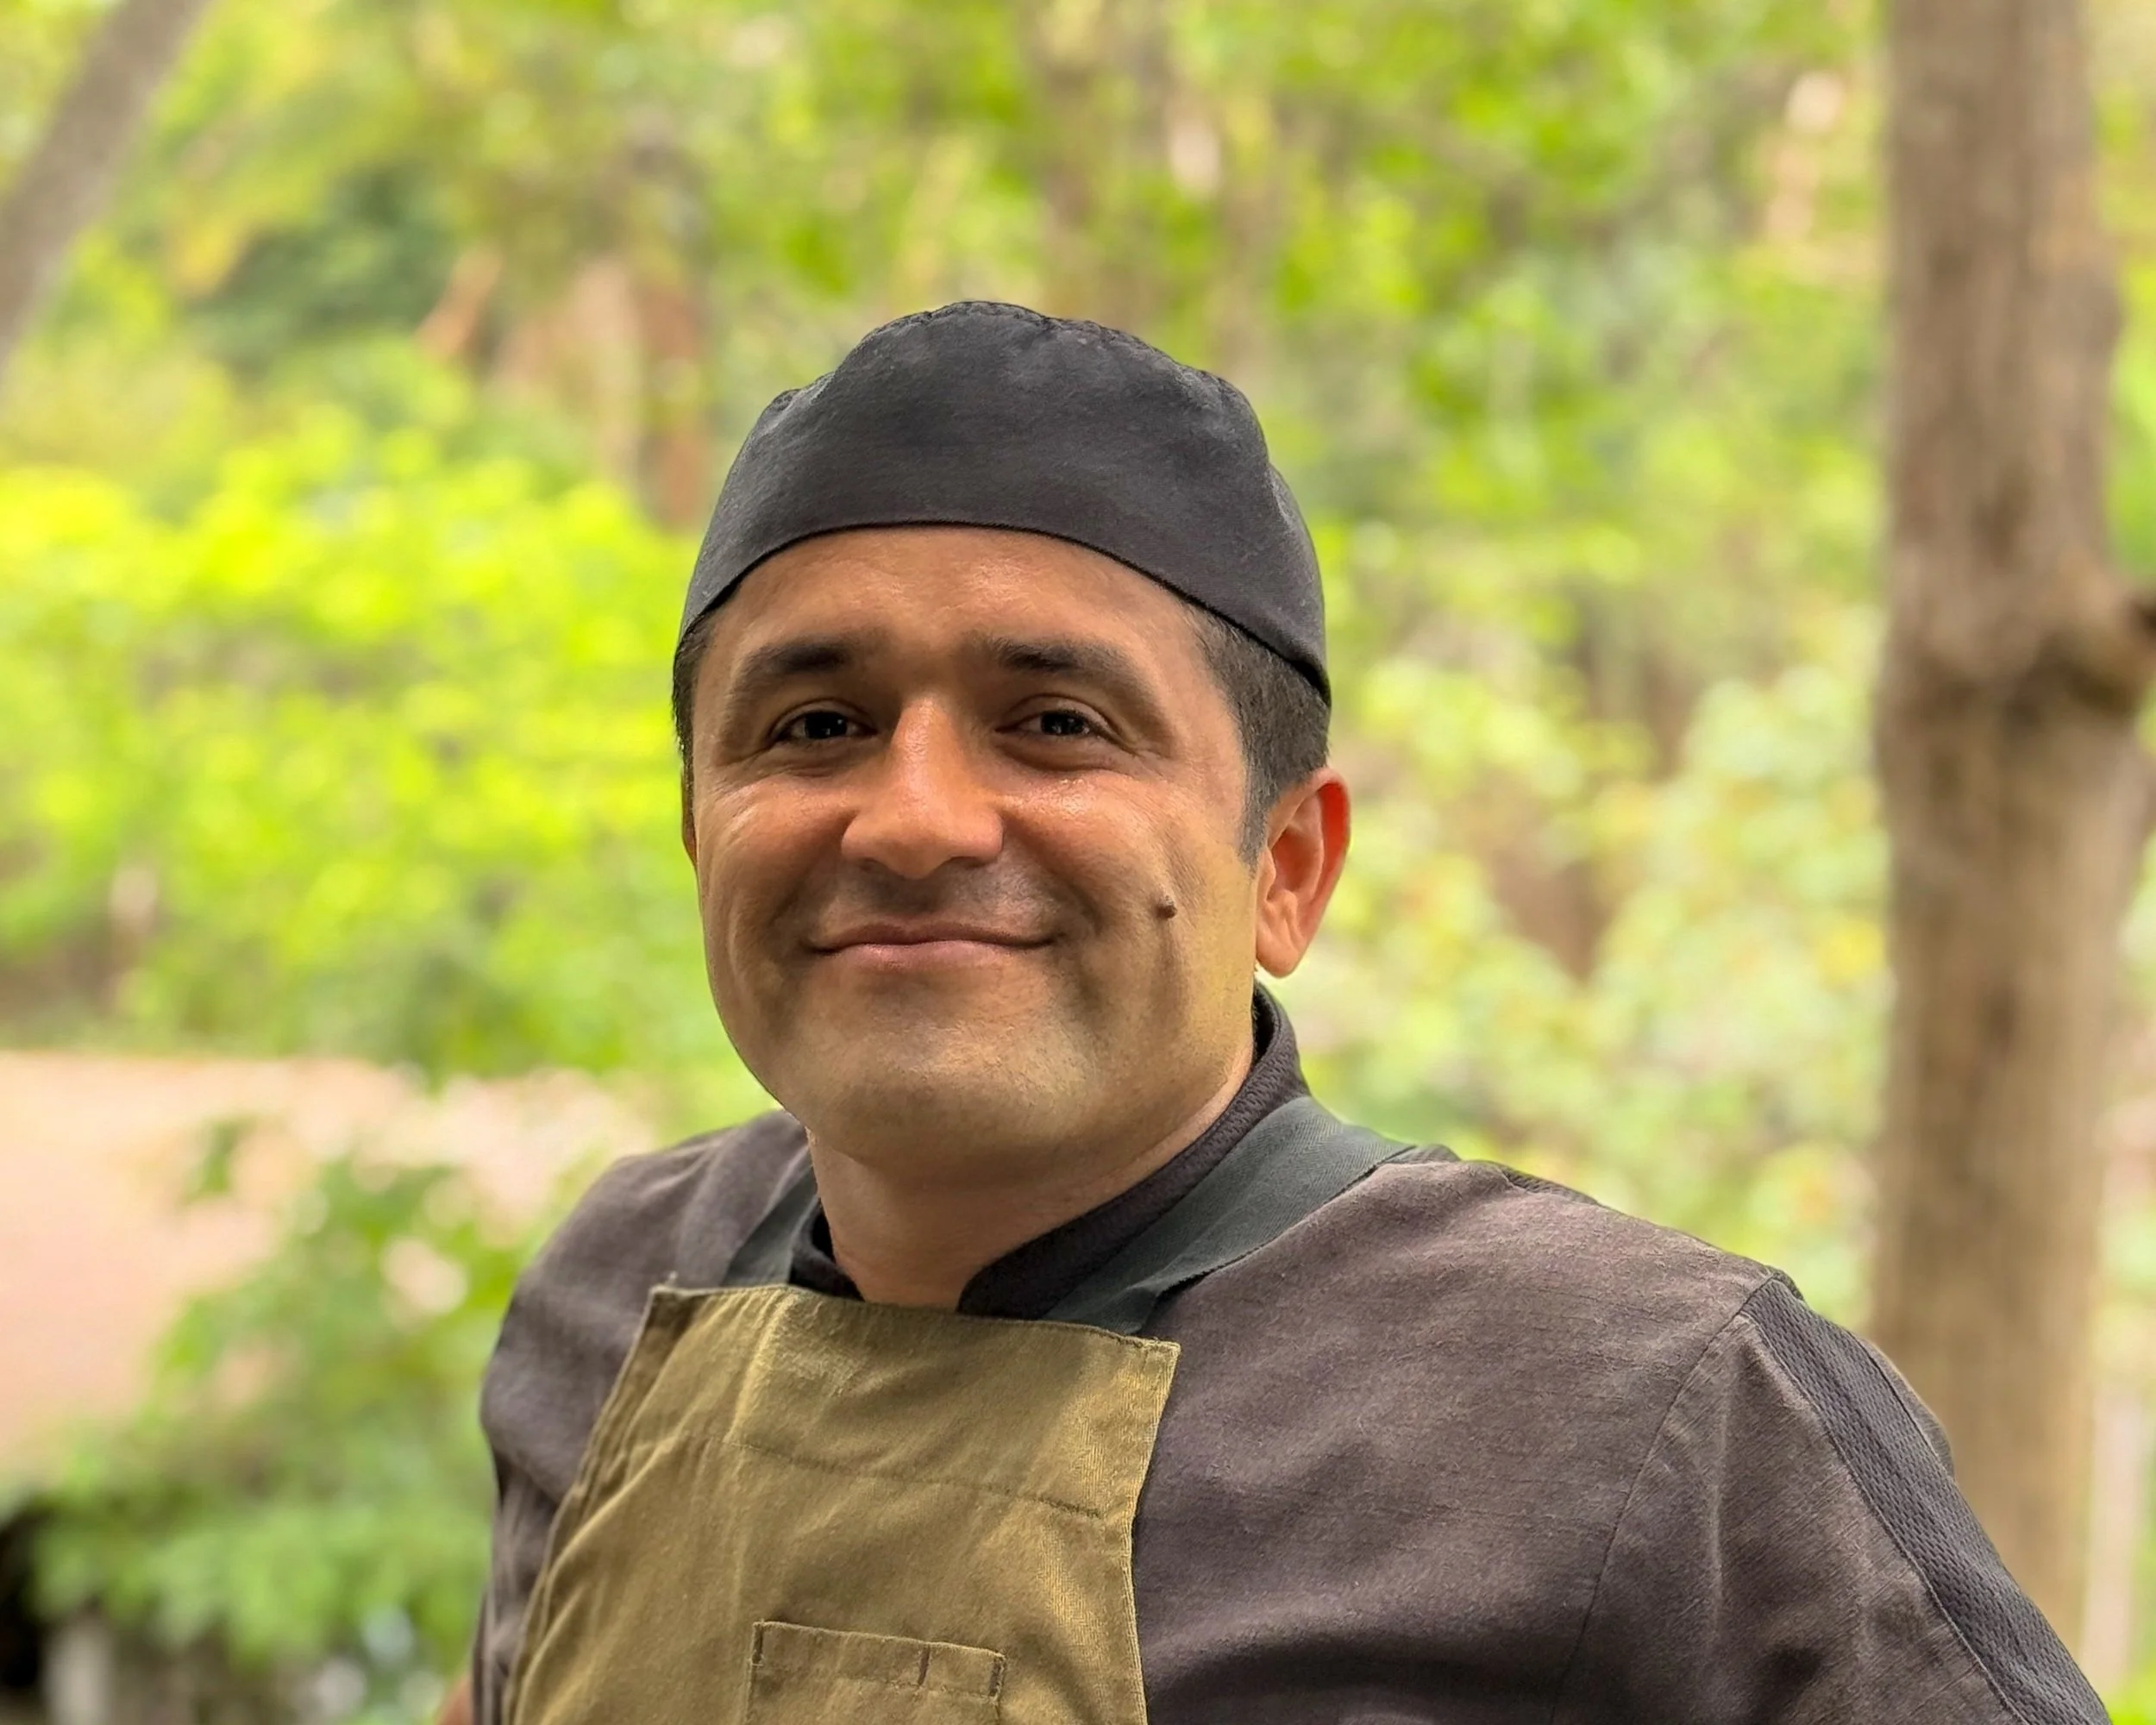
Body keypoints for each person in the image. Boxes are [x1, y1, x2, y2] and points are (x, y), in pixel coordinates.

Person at [441, 302, 2106, 1725]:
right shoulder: (614, 1294)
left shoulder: (1649, 1406)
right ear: (700, 832)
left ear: (1288, 868)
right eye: (816, 727)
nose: (915, 819)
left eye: (1057, 723)